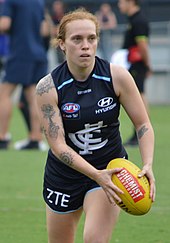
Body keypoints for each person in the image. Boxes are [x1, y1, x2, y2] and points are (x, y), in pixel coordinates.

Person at [35, 8, 155, 243]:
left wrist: (148, 163)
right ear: (61, 44)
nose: (85, 45)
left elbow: (143, 124)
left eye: (91, 38)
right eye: (76, 39)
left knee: (94, 240)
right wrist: (94, 174)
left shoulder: (117, 76)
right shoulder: (47, 88)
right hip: (64, 176)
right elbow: (58, 146)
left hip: (110, 171)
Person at [0, 0, 48, 149]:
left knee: (4, 94)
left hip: (20, 53)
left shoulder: (11, 1)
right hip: (39, 54)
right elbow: (44, 29)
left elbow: (4, 24)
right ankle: (35, 138)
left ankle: (1, 137)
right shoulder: (38, 2)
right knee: (33, 95)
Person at [118, 0, 152, 146]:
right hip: (132, 65)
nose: (119, 5)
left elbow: (142, 45)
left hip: (137, 65)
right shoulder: (132, 20)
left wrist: (147, 65)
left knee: (139, 96)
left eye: (121, 2)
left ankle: (142, 132)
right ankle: (138, 133)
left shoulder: (138, 21)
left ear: (130, 2)